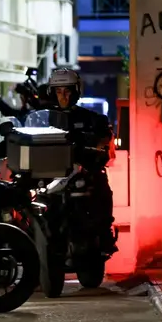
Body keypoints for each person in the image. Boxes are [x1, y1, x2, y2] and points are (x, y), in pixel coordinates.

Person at [47, 68, 118, 255]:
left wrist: (99, 143)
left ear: (76, 91)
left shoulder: (91, 118)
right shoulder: (45, 118)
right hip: (51, 172)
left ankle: (104, 234)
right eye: (58, 91)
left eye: (67, 91)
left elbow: (105, 138)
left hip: (81, 171)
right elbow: (27, 133)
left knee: (101, 185)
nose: (63, 96)